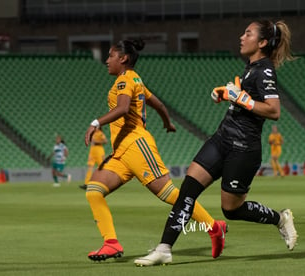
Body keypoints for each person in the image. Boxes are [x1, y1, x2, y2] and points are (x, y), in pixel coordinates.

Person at [135, 19, 298, 266]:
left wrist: (241, 98)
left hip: (244, 148)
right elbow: (245, 101)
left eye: (248, 33)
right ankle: (164, 248)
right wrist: (226, 93)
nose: (242, 37)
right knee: (187, 190)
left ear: (262, 42)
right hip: (222, 139)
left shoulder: (265, 70)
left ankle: (279, 218)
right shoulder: (250, 67)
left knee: (231, 210)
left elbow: (273, 110)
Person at [83, 38, 226, 262]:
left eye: (111, 56)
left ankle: (214, 227)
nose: (107, 60)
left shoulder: (124, 82)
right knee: (93, 190)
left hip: (137, 146)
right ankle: (111, 243)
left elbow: (121, 109)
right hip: (121, 152)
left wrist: (96, 123)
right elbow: (158, 104)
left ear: (123, 58)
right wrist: (167, 122)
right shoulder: (134, 79)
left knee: (170, 194)